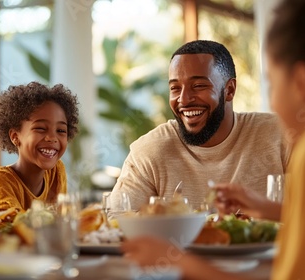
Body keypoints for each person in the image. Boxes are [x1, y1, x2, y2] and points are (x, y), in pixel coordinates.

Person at [121, 0, 305, 279]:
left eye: (271, 83)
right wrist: (268, 208)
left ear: (301, 82)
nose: (184, 99)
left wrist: (178, 261)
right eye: (175, 88)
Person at [109, 40, 290, 212]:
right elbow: (117, 224)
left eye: (198, 86)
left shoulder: (280, 135)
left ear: (230, 90)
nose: (184, 100)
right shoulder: (149, 151)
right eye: (175, 88)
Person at [0, 82, 79, 233]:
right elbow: (9, 227)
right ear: (15, 137)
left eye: (61, 130)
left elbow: (60, 223)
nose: (52, 138)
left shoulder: (57, 171)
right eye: (40, 128)